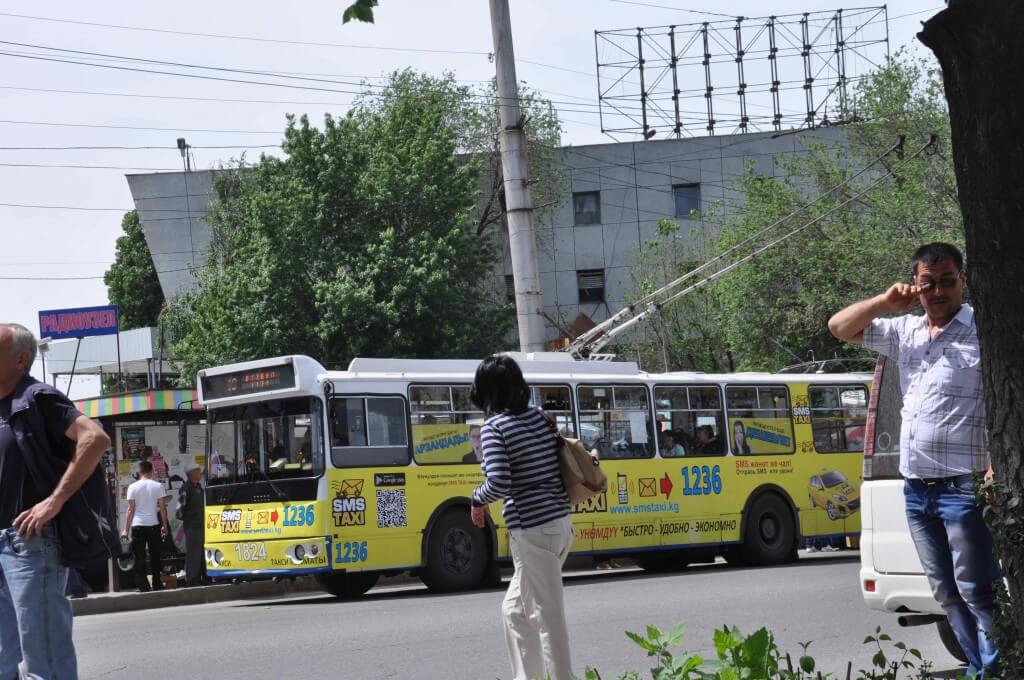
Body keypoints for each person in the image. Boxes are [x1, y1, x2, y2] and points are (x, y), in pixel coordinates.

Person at [828, 242, 1001, 677]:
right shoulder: (903, 331)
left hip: (964, 484)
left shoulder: (985, 329)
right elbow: (838, 326)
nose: (938, 292)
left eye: (947, 281)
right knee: (945, 593)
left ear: (962, 280)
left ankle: (997, 670)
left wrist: (996, 463)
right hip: (916, 489)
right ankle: (980, 667)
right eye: (928, 283)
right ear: (916, 285)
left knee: (978, 590)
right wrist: (886, 301)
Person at [0, 322, 111, 679]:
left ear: (20, 359)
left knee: (45, 658)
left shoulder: (37, 398)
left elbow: (94, 439)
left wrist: (54, 501)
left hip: (28, 543)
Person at [469, 355, 573, 680]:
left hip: (532, 529)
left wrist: (476, 499)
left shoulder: (494, 427)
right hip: (559, 524)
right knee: (514, 611)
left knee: (546, 615)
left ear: (485, 390)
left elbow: (499, 481)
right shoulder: (541, 419)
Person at [122, 460, 170, 592]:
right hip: (153, 524)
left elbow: (130, 510)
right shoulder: (158, 486)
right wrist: (164, 526)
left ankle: (143, 585)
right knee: (155, 555)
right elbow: (162, 508)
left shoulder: (132, 487)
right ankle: (157, 583)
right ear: (151, 471)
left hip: (137, 525)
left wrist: (125, 529)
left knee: (140, 556)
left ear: (140, 472)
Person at [177, 462, 206, 587]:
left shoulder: (199, 487)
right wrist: (188, 518)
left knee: (201, 553)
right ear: (192, 474)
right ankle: (192, 580)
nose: (200, 474)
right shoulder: (186, 488)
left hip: (202, 525)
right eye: (198, 471)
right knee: (193, 553)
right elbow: (179, 509)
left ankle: (202, 577)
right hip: (192, 526)